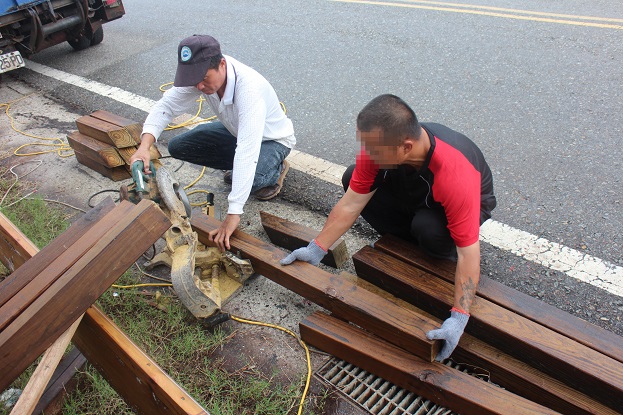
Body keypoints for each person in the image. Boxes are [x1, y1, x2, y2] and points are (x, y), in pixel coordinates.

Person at [281, 94, 496, 361]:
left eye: (372, 151)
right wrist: (316, 248)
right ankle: (405, 241)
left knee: (429, 230)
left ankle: (436, 253)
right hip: (413, 186)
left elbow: (469, 253)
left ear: (406, 147)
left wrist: (459, 317)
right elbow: (350, 204)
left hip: (463, 202)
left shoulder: (455, 175)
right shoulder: (382, 148)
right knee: (352, 177)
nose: (366, 155)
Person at [130, 34, 295, 252]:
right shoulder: (201, 78)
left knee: (247, 179)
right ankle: (242, 171)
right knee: (178, 146)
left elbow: (247, 150)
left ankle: (274, 169)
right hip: (236, 132)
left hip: (271, 140)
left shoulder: (249, 89)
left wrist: (233, 214)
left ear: (222, 65)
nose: (198, 85)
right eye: (193, 79)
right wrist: (144, 147)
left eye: (204, 78)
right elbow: (166, 107)